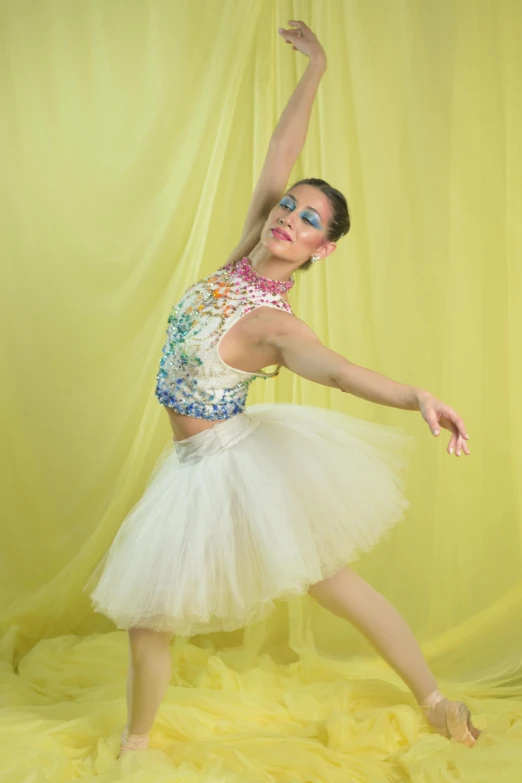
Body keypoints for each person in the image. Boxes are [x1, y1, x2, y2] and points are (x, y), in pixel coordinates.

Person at [84, 20, 481, 758]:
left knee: (329, 583)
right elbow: (282, 151)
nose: (288, 218)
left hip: (230, 466)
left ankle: (433, 698)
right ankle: (134, 747)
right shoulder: (245, 253)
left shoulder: (276, 324)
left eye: (308, 221)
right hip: (199, 464)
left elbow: (337, 370)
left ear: (322, 249)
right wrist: (318, 68)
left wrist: (416, 395)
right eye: (289, 206)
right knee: (167, 615)